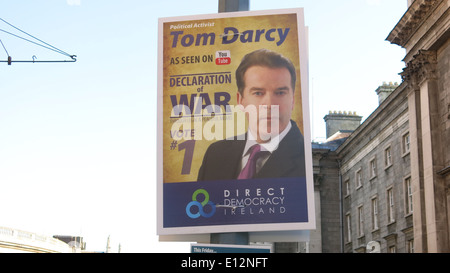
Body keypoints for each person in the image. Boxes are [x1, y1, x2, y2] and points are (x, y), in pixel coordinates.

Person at [197, 48, 305, 181]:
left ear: (293, 100)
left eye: (280, 93)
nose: (269, 104)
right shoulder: (215, 154)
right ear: (240, 100)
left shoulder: (307, 157)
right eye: (258, 93)